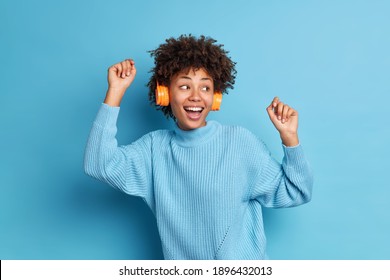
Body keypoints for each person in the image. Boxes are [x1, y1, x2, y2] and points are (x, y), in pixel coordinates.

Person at [84, 34, 313, 260]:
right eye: (184, 86)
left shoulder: (241, 143)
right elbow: (99, 164)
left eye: (205, 88)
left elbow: (297, 191)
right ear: (164, 94)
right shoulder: (153, 150)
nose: (196, 97)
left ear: (215, 97)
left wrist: (289, 137)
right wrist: (115, 91)